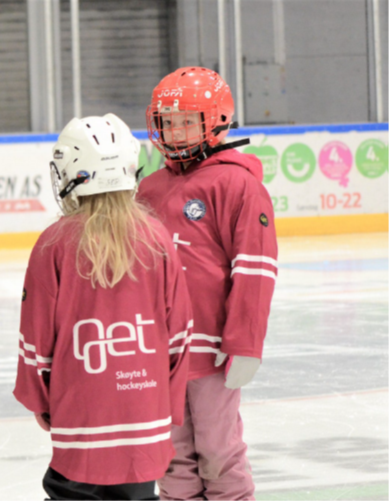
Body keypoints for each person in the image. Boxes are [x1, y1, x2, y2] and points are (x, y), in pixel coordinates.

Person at [14, 114, 193, 501]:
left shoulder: (54, 243)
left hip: (82, 414)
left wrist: (42, 402)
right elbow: (179, 334)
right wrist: (166, 405)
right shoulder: (158, 237)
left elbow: (36, 338)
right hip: (145, 413)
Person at [138, 67, 279, 501]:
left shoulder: (237, 184)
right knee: (172, 455)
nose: (176, 131)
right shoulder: (149, 189)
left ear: (215, 120)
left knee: (219, 452)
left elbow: (255, 269)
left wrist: (245, 342)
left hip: (213, 350)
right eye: (168, 121)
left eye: (187, 120)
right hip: (164, 351)